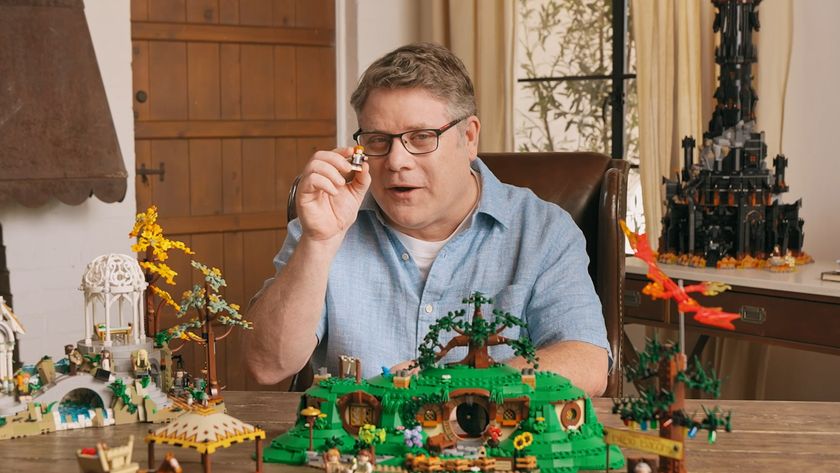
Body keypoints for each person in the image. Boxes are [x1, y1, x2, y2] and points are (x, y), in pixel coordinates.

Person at [245, 43, 610, 396]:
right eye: (377, 140)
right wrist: (318, 243)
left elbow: (587, 363)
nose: (396, 161)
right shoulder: (326, 220)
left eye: (421, 138)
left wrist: (448, 388)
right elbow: (267, 365)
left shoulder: (543, 230)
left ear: (468, 138)